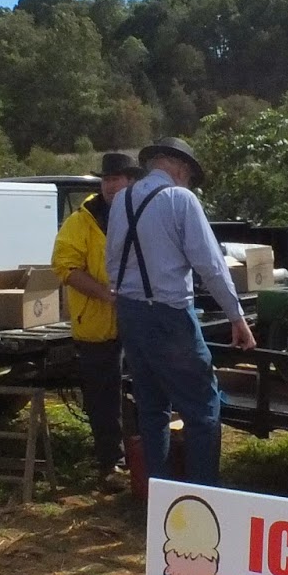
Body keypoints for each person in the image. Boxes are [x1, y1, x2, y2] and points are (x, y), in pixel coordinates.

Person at [104, 137, 254, 487]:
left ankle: (160, 497)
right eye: (189, 176)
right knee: (202, 408)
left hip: (131, 313)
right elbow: (211, 265)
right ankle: (203, 497)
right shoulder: (180, 199)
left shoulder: (122, 199)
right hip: (170, 315)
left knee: (151, 407)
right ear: (180, 168)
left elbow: (111, 262)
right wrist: (236, 316)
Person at [51, 152, 140, 487]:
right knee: (104, 398)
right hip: (96, 326)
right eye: (106, 180)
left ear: (131, 181)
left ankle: (142, 462)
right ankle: (111, 466)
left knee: (140, 394)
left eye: (117, 179)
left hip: (136, 322)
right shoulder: (82, 219)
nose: (111, 186)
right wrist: (105, 295)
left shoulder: (141, 214)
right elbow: (65, 268)